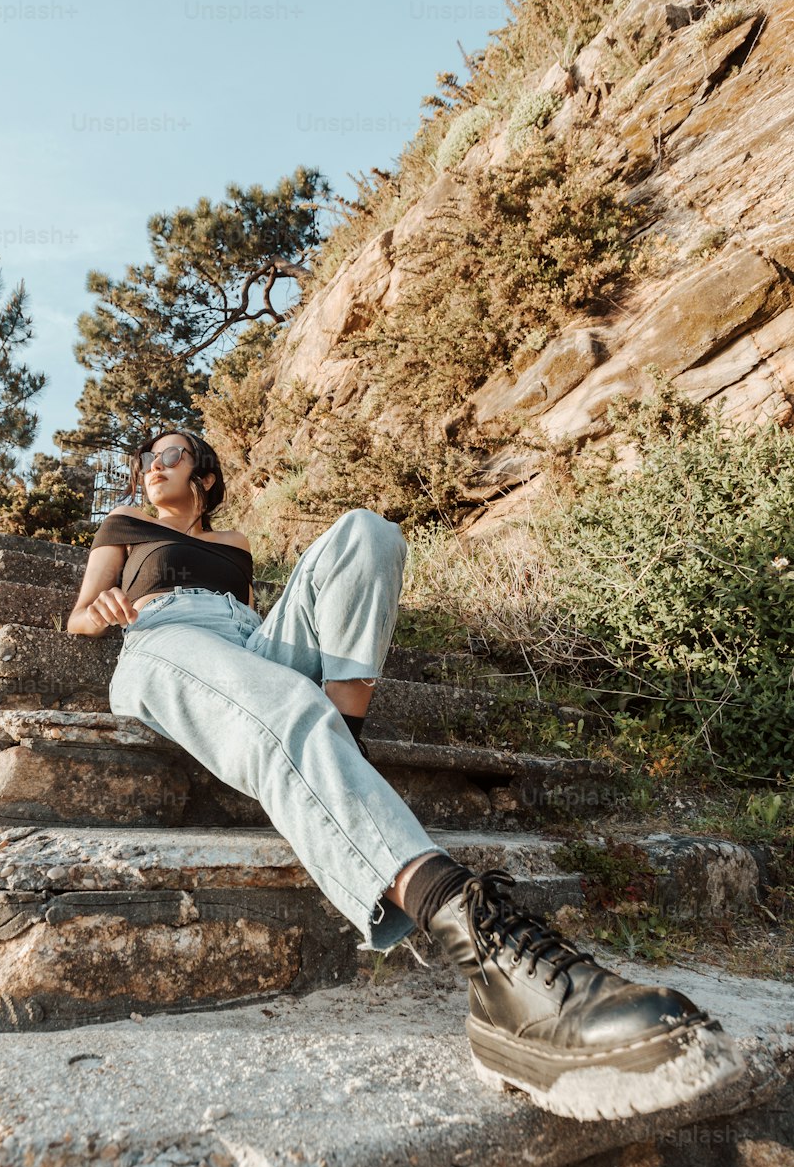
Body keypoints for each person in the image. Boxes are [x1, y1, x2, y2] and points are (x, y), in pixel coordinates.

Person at [67, 429, 742, 1122]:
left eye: (172, 454)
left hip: (244, 639)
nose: (154, 464)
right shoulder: (124, 525)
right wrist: (107, 609)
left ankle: (339, 755)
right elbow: (79, 615)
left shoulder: (235, 545)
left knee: (369, 534)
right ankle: (484, 958)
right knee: (288, 704)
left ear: (204, 476)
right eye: (146, 458)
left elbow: (269, 612)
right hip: (164, 641)